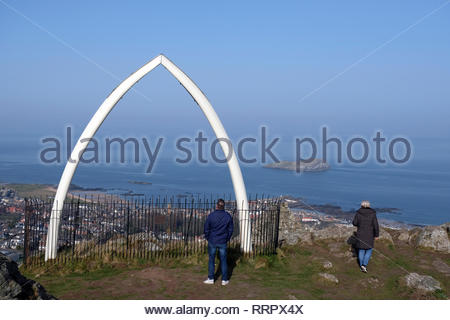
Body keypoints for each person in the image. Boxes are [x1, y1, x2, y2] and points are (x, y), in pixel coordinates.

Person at [203, 198, 234, 285]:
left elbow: (206, 228)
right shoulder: (228, 216)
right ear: (223, 206)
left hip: (212, 240)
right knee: (223, 260)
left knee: (211, 260)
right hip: (222, 240)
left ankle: (211, 278)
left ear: (217, 206)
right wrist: (227, 238)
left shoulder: (211, 216)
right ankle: (224, 280)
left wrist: (208, 237)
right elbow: (231, 229)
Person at [352, 200, 379, 273]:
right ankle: (364, 265)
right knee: (369, 249)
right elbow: (376, 225)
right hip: (370, 234)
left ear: (361, 205)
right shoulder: (373, 213)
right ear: (369, 205)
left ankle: (361, 266)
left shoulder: (358, 213)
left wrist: (359, 224)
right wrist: (376, 235)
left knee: (361, 249)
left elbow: (354, 223)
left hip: (360, 234)